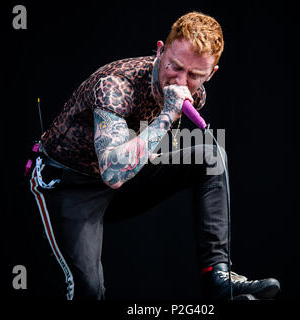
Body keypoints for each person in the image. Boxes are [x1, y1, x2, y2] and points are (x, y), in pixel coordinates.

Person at [26, 11, 281, 300]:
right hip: (71, 184)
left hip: (125, 177)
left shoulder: (195, 93)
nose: (180, 81)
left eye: (196, 75)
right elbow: (113, 173)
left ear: (211, 74)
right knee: (89, 290)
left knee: (211, 155)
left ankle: (218, 278)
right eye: (175, 66)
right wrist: (168, 113)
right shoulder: (115, 85)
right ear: (160, 50)